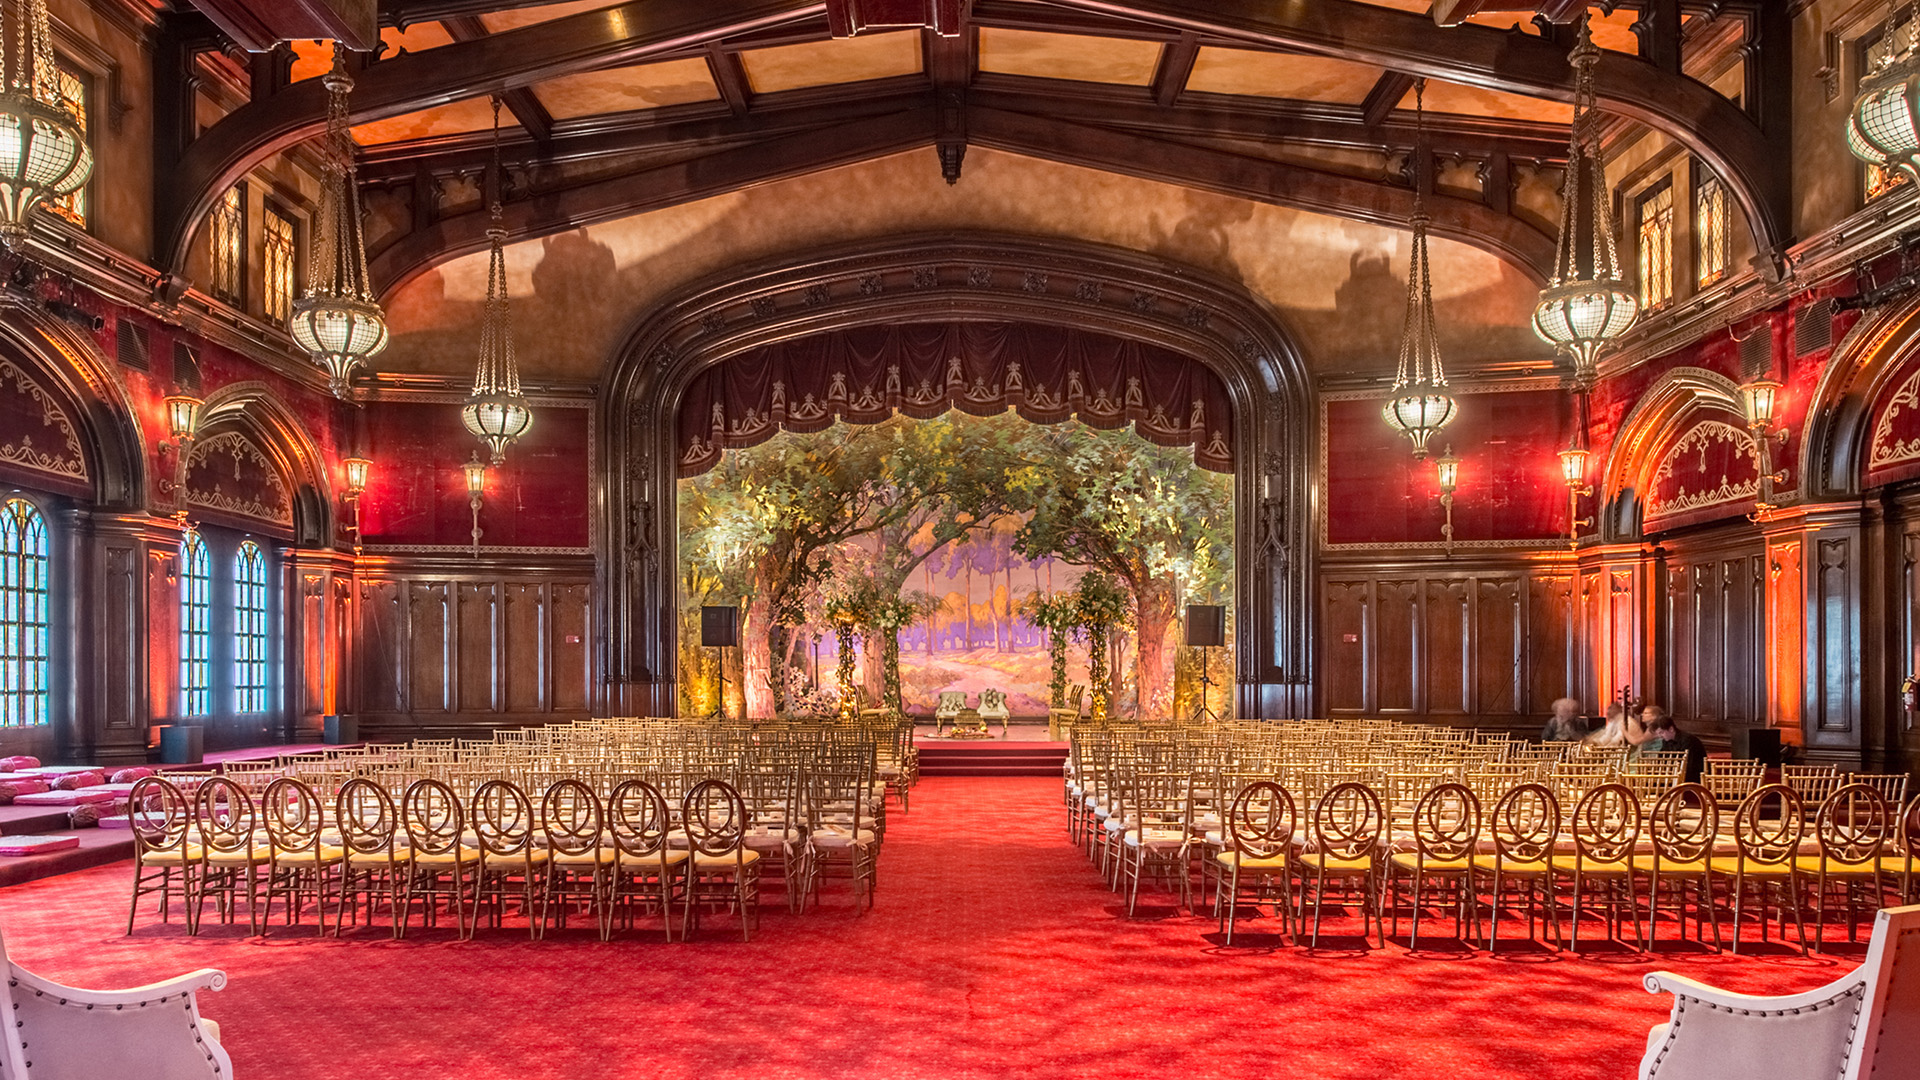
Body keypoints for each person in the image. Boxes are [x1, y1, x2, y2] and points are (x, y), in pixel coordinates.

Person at [1628, 704, 1706, 783]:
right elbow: (1662, 760)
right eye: (1659, 734)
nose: (1660, 736)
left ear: (1671, 729)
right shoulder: (1666, 741)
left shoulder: (1688, 741)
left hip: (1693, 778)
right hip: (1675, 775)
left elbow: (1690, 767)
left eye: (1662, 732)